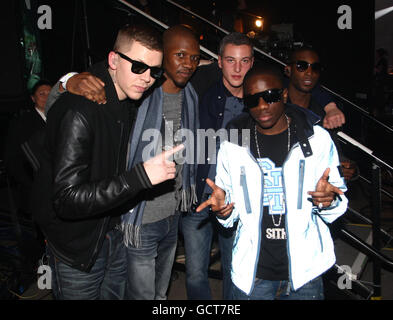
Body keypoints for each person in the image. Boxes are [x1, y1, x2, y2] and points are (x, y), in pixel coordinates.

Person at [43, 24, 201, 300]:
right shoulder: (83, 108)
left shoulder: (131, 99)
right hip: (78, 247)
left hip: (114, 232)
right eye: (139, 67)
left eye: (154, 70)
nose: (147, 78)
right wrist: (68, 81)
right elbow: (66, 199)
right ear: (113, 60)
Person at [197, 63, 348, 300]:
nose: (262, 106)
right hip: (253, 275)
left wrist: (329, 201)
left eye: (270, 96)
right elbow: (229, 215)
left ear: (284, 94)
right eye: (252, 101)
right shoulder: (233, 145)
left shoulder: (316, 139)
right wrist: (223, 211)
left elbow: (337, 205)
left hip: (305, 275)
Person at [182, 32, 254, 300]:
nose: (237, 68)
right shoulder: (199, 92)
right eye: (230, 60)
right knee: (195, 274)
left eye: (244, 61)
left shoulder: (261, 102)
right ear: (219, 63)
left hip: (235, 202)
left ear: (252, 62)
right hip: (199, 198)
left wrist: (327, 107)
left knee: (235, 271)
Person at [285, 46, 357, 181]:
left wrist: (346, 167)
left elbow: (334, 152)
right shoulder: (272, 106)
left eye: (315, 68)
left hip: (314, 191)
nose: (309, 72)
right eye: (302, 66)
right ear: (288, 70)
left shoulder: (323, 115)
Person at [4, 79, 51, 216]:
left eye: (50, 93)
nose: (47, 97)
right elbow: (12, 159)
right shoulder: (22, 124)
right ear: (33, 98)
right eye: (42, 94)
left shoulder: (63, 118)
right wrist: (31, 184)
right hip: (36, 190)